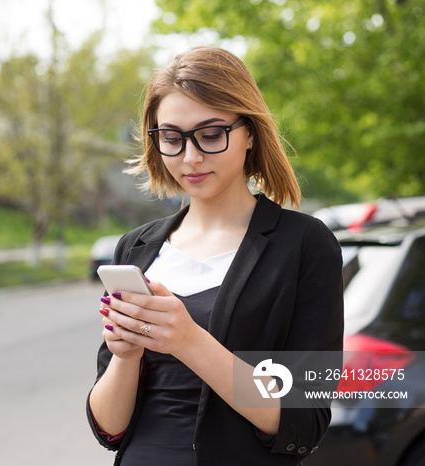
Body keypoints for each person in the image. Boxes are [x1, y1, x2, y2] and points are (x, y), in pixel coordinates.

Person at [86, 46, 344, 465]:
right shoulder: (136, 249)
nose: (190, 157)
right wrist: (125, 356)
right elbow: (109, 429)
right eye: (171, 138)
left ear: (250, 134)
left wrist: (189, 342)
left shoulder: (304, 245)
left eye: (210, 134)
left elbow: (305, 419)